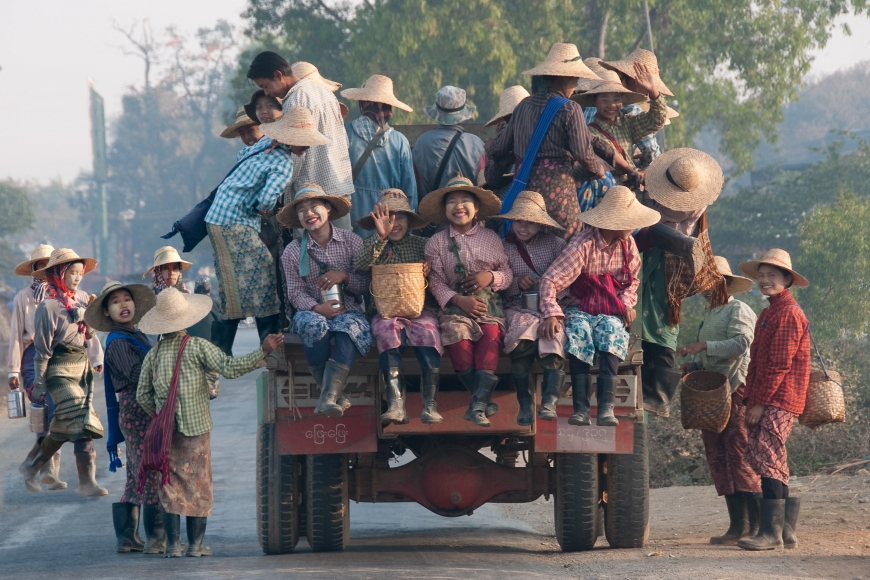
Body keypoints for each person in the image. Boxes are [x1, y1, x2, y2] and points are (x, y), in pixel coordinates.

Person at [136, 288, 283, 557]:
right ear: (185, 318)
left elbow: (142, 395)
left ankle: (173, 546)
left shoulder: (153, 354)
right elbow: (230, 368)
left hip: (167, 432)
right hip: (196, 430)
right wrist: (261, 352)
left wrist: (160, 416)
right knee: (199, 484)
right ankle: (195, 545)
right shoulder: (196, 346)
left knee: (170, 485)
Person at [487, 43, 637, 239]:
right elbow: (583, 152)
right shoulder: (569, 109)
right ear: (564, 78)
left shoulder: (523, 106)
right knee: (564, 243)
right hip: (558, 195)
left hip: (526, 194)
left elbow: (499, 148)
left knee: (529, 243)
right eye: (575, 80)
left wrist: (489, 145)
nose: (575, 87)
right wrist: (597, 170)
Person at [538, 187, 660, 426]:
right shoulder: (582, 245)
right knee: (579, 333)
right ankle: (581, 409)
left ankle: (606, 408)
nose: (634, 226)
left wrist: (626, 304)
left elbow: (632, 283)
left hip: (610, 309)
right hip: (579, 306)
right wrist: (551, 312)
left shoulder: (628, 245)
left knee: (612, 332)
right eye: (630, 221)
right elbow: (550, 280)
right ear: (615, 223)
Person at [206, 108, 318, 354]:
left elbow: (243, 161)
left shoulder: (264, 145)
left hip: (220, 218)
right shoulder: (284, 163)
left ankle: (241, 353)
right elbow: (266, 200)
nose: (306, 146)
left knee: (241, 284)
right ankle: (263, 352)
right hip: (233, 221)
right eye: (302, 140)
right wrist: (263, 207)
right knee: (261, 278)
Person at [636, 148, 727, 417]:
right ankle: (651, 391)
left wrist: (643, 190)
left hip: (668, 263)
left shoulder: (682, 208)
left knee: (659, 322)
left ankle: (658, 394)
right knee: (647, 320)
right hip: (657, 259)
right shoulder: (683, 199)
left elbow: (655, 218)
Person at [676, 257, 762, 545]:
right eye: (703, 284)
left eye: (711, 284)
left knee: (739, 452)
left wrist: (703, 346)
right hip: (714, 392)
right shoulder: (711, 313)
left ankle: (758, 526)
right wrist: (694, 364)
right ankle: (738, 527)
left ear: (725, 284)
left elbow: (741, 344)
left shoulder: (738, 309)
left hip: (736, 388)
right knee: (719, 455)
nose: (706, 290)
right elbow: (709, 356)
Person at [419, 175, 511, 427]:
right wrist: (459, 300)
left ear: (477, 207)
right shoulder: (436, 243)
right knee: (458, 343)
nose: (459, 206)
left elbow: (507, 272)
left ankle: (478, 406)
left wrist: (490, 276)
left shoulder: (491, 238)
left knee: (491, 336)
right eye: (452, 201)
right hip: (454, 309)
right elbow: (435, 282)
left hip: (488, 307)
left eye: (465, 201)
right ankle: (482, 402)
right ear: (444, 209)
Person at [735, 249, 810, 551]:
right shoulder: (769, 312)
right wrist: (750, 397)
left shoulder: (789, 313)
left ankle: (771, 533)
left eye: (773, 276)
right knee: (773, 459)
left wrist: (760, 402)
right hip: (769, 396)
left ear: (787, 280)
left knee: (768, 458)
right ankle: (785, 531)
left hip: (780, 397)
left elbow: (779, 365)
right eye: (762, 276)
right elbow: (757, 362)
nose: (766, 280)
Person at [19, 249, 108, 497]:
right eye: (72, 273)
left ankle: (82, 480)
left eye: (80, 273)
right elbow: (42, 350)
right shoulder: (47, 307)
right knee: (75, 414)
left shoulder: (83, 299)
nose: (77, 278)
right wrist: (39, 382)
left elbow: (89, 336)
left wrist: (89, 318)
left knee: (81, 422)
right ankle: (37, 467)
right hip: (58, 370)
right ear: (58, 274)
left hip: (81, 369)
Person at [84, 281, 163, 554]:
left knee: (138, 472)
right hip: (137, 407)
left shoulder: (136, 335)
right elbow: (137, 374)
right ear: (107, 312)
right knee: (149, 469)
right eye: (115, 302)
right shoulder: (117, 341)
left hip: (141, 406)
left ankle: (127, 538)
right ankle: (156, 536)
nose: (123, 304)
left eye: (126, 299)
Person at [280, 183, 371, 417]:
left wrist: (345, 276)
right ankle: (332, 397)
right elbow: (295, 292)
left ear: (328, 208)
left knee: (349, 330)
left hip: (348, 310)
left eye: (314, 206)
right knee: (314, 325)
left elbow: (366, 285)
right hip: (311, 311)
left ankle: (327, 398)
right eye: (302, 210)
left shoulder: (352, 242)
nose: (309, 213)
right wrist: (317, 308)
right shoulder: (292, 251)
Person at [353, 189, 443, 424]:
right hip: (385, 312)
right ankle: (396, 404)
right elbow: (360, 264)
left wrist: (429, 266)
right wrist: (380, 237)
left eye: (400, 217)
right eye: (387, 218)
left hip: (420, 310)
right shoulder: (371, 244)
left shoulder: (423, 244)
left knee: (428, 331)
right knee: (386, 333)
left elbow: (439, 267)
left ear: (409, 221)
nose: (393, 223)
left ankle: (430, 405)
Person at [246, 52, 354, 229]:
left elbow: (297, 154)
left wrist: (277, 189)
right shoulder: (324, 92)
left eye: (266, 86)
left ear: (278, 75)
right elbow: (343, 140)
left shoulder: (294, 100)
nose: (267, 93)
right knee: (342, 242)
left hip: (309, 195)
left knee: (311, 244)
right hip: (338, 187)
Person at [495, 191, 567, 425]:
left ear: (540, 224)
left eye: (530, 223)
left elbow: (567, 278)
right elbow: (500, 281)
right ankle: (525, 404)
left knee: (552, 337)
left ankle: (549, 402)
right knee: (522, 341)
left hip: (552, 307)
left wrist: (550, 307)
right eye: (518, 221)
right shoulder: (503, 247)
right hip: (517, 306)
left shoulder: (556, 244)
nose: (523, 227)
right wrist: (516, 282)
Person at [341, 74, 418, 237]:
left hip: (351, 213)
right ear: (389, 108)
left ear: (363, 104)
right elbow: (409, 190)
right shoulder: (400, 141)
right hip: (389, 217)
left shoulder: (344, 134)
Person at [413, 85, 487, 229]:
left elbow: (416, 186)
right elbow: (483, 187)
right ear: (462, 115)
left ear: (438, 112)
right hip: (468, 223)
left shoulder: (422, 142)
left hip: (432, 224)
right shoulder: (477, 144)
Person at [581, 65, 668, 181]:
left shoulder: (628, 123)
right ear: (594, 100)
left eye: (617, 99)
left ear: (623, 100)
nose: (611, 105)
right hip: (608, 189)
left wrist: (653, 91)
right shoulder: (589, 132)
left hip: (630, 187)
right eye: (605, 100)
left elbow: (656, 120)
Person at [483, 85, 530, 197]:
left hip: (518, 191)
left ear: (506, 118)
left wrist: (494, 147)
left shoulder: (508, 137)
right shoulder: (542, 127)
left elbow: (491, 178)